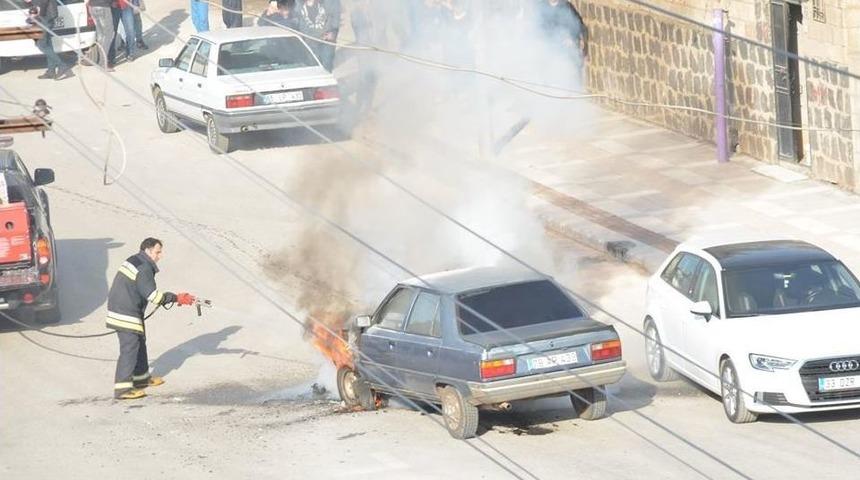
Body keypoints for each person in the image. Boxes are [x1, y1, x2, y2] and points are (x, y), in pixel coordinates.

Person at [107, 238, 195, 400]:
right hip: (125, 311)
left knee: (139, 342)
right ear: (147, 251)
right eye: (157, 252)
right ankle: (122, 389)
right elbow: (153, 296)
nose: (160, 256)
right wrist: (176, 298)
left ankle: (141, 379)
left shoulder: (136, 259)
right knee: (130, 348)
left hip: (124, 308)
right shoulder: (144, 267)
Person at [539, 0, 588, 86]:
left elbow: (579, 25)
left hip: (568, 52)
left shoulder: (566, 7)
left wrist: (573, 39)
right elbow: (540, 29)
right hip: (551, 52)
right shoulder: (542, 8)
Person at [27, 0, 73, 79]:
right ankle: (51, 71)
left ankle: (62, 66)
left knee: (41, 44)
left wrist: (38, 9)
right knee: (48, 43)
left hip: (46, 15)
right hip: (46, 15)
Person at [296, 0, 340, 71]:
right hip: (309, 41)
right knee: (313, 67)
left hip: (326, 40)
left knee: (326, 65)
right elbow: (293, 16)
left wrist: (334, 32)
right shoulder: (298, 3)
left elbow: (336, 15)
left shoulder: (329, 2)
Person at [85, 0, 114, 69]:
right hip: (103, 6)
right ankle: (103, 63)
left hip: (92, 6)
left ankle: (101, 61)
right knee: (108, 34)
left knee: (100, 35)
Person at [108, 0, 136, 65]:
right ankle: (111, 57)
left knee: (130, 30)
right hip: (113, 7)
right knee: (112, 33)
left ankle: (130, 53)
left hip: (126, 5)